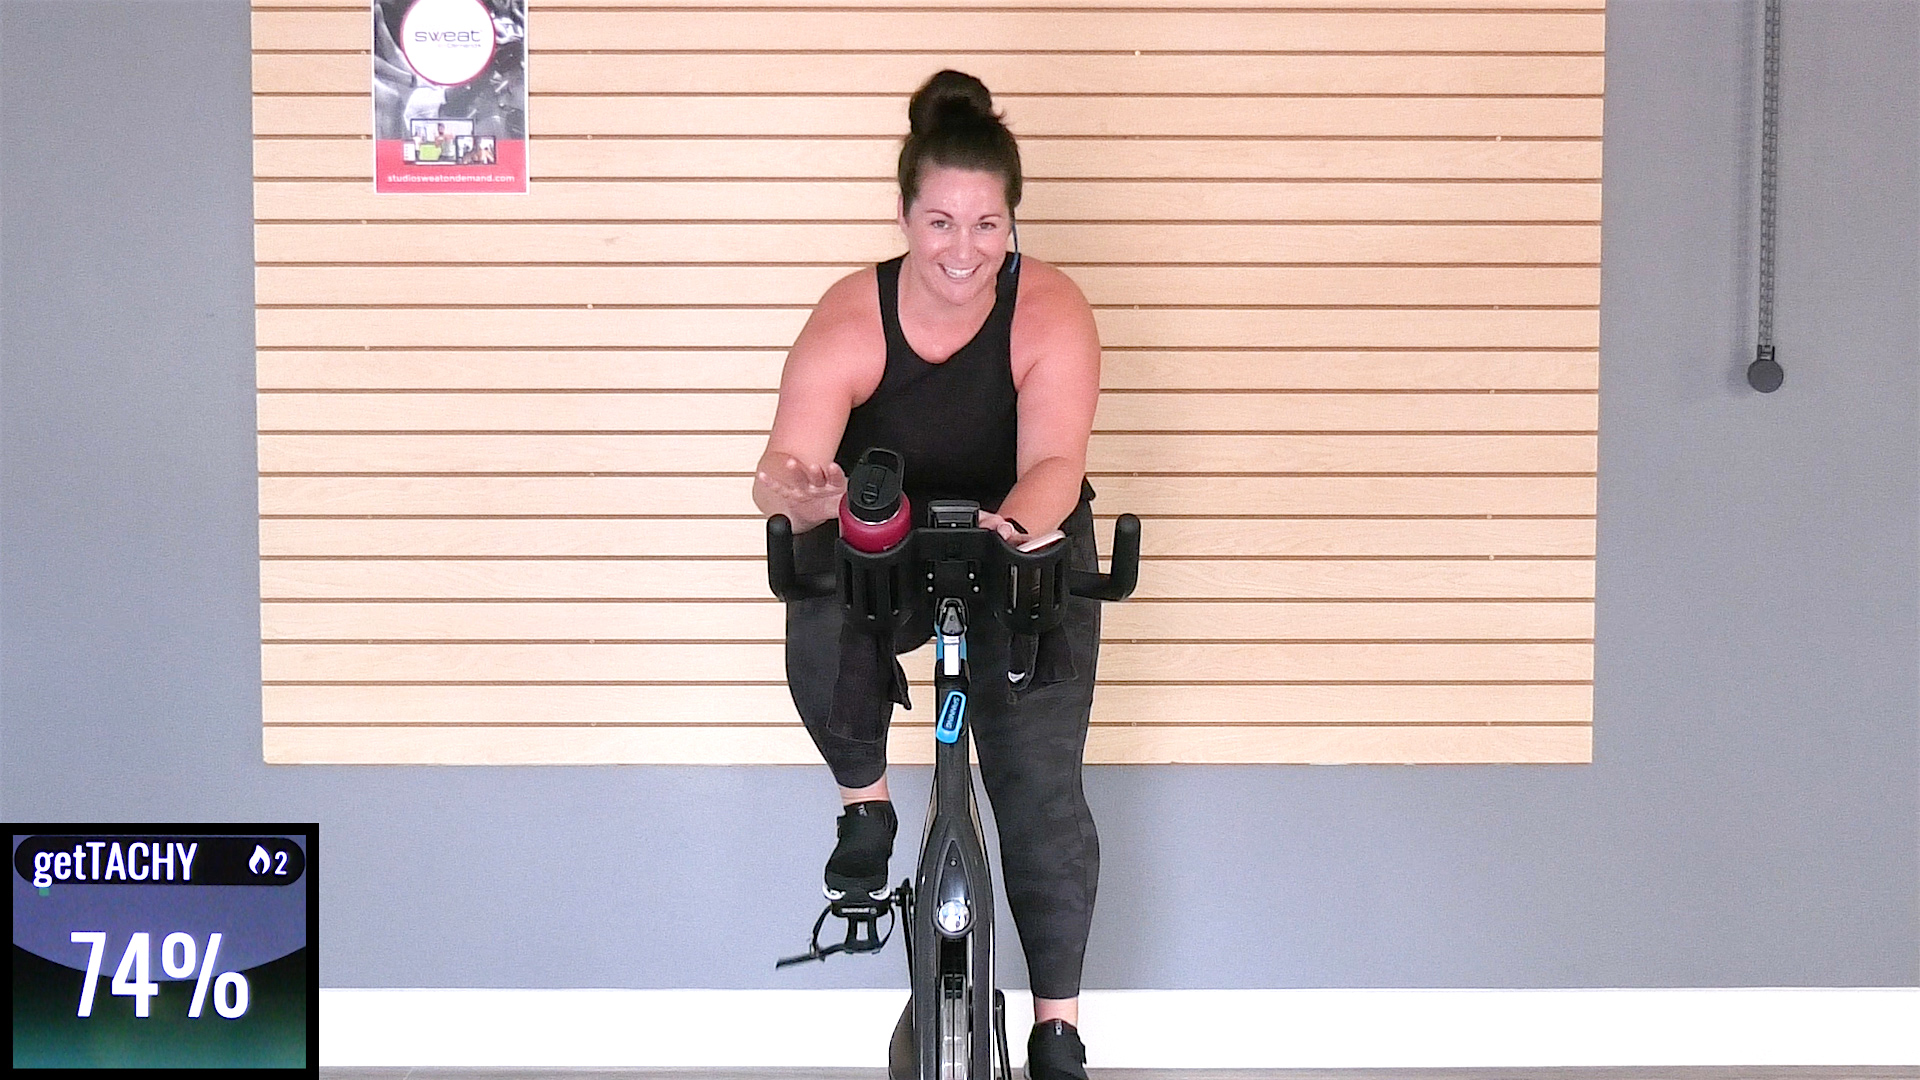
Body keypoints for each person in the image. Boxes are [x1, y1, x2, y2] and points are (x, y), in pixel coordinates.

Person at [751, 70, 1104, 1080]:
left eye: (987, 225)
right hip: (890, 550)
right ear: (905, 214)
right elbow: (782, 469)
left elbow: (1054, 464)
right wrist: (800, 492)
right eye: (941, 222)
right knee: (818, 568)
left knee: (1039, 793)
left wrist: (1014, 527)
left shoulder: (1050, 309)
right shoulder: (851, 317)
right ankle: (866, 805)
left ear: (1011, 223)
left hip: (1020, 541)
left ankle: (1058, 1031)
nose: (963, 250)